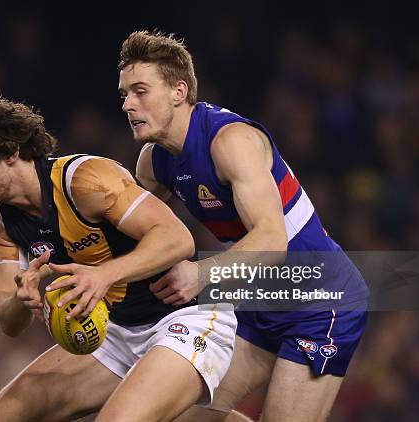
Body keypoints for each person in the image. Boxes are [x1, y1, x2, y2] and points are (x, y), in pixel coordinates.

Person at [116, 31, 369, 422]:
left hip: (322, 302)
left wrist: (199, 273)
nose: (129, 104)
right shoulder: (153, 162)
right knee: (175, 416)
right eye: (124, 95)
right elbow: (121, 240)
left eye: (140, 91)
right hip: (257, 300)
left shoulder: (230, 140)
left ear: (179, 91)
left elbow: (271, 240)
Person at [0, 97, 237, 422]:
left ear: (11, 151)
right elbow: (9, 322)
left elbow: (177, 238)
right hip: (119, 332)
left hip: (187, 317)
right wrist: (19, 297)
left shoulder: (84, 179)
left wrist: (103, 275)